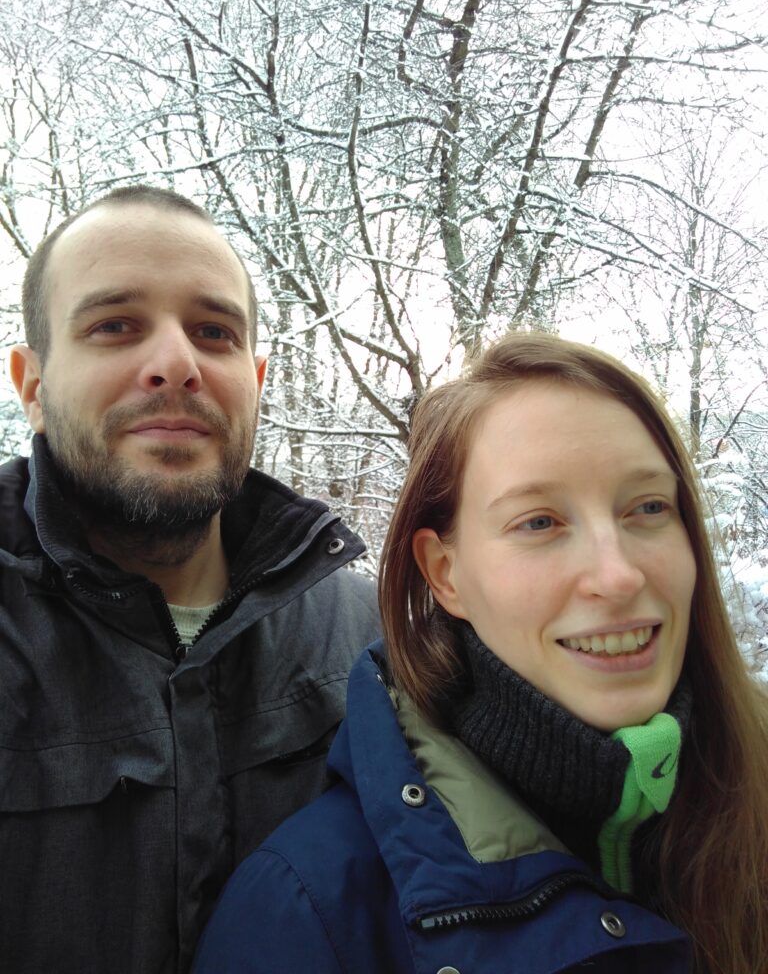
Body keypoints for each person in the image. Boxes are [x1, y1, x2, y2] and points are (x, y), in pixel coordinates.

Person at [193, 333, 768, 974]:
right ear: (446, 574)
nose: (618, 575)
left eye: (649, 507)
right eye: (539, 522)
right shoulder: (305, 916)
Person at [0, 185, 380, 973]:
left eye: (214, 332)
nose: (177, 364)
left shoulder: (376, 641)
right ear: (32, 386)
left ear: (256, 379)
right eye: (115, 326)